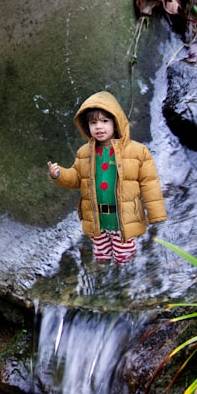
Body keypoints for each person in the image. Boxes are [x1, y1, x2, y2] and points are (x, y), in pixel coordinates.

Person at [47, 91, 166, 264]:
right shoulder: (84, 153)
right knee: (101, 257)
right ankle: (103, 275)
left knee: (125, 258)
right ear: (86, 126)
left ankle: (125, 281)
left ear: (116, 123)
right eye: (93, 123)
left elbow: (150, 184)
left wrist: (156, 215)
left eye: (105, 121)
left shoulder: (137, 152)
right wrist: (59, 175)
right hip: (96, 219)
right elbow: (76, 178)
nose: (99, 127)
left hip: (123, 218)